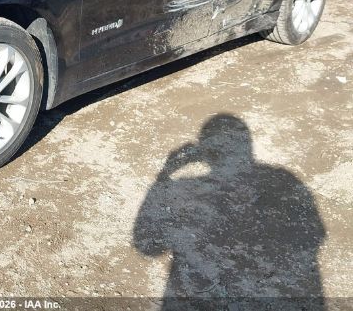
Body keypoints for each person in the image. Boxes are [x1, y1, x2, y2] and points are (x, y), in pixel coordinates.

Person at [133, 114, 325, 308]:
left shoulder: (189, 187)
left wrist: (166, 172)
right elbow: (315, 235)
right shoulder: (282, 178)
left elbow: (147, 247)